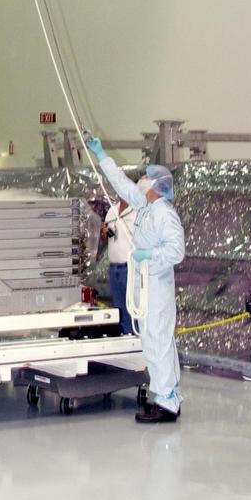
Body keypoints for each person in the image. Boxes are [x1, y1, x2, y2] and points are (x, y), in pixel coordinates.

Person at [87, 136, 185, 422]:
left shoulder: (164, 215)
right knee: (152, 340)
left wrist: (148, 256)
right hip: (145, 283)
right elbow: (120, 183)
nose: (141, 181)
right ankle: (165, 396)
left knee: (159, 340)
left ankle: (167, 400)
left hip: (156, 282)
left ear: (156, 187)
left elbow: (176, 252)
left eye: (146, 178)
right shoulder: (145, 206)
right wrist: (101, 154)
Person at [102, 194, 136, 335]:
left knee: (133, 307)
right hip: (114, 267)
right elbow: (105, 241)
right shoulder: (112, 211)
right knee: (120, 309)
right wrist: (103, 233)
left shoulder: (138, 212)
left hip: (130, 267)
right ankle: (126, 335)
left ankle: (137, 339)